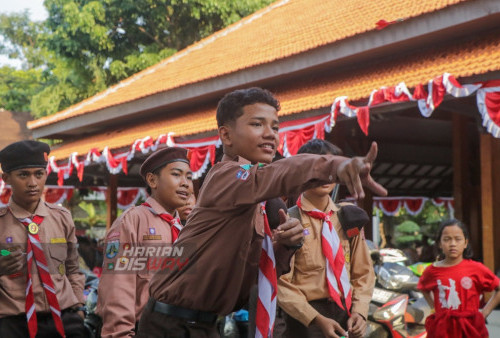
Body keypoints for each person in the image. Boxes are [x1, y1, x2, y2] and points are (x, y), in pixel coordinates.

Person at [137, 87, 387, 338]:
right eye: (257, 124)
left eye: (275, 127)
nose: (270, 135)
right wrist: (337, 164)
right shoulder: (226, 176)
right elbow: (277, 173)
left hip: (204, 324)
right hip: (169, 323)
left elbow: (258, 274)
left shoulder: (260, 202)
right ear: (226, 134)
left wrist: (284, 246)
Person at [278, 139, 375, 338]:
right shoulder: (289, 221)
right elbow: (281, 283)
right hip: (304, 320)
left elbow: (363, 271)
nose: (328, 176)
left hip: (345, 313)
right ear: (303, 172)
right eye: (320, 169)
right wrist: (315, 319)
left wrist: (360, 311)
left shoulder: (348, 218)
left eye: (333, 168)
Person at [96, 147, 193, 338]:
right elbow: (118, 286)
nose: (185, 184)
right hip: (145, 329)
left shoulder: (185, 230)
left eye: (189, 177)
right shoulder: (133, 222)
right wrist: (120, 334)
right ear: (152, 180)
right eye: (176, 174)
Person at [0, 140, 85, 338]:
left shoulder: (62, 218)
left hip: (64, 318)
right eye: (23, 175)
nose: (32, 183)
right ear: (6, 178)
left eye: (39, 174)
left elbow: (73, 268)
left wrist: (79, 306)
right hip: (13, 324)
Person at [418, 219, 500, 338]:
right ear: (440, 244)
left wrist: (485, 312)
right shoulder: (432, 270)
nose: (452, 244)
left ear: (465, 243)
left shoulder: (476, 268)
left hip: (471, 328)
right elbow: (423, 288)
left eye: (458, 239)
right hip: (442, 328)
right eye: (447, 239)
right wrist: (434, 308)